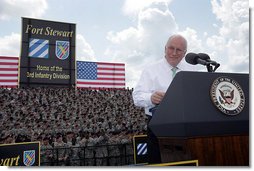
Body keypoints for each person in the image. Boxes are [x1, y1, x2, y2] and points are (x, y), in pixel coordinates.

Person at [132, 34, 195, 164]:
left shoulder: (192, 70)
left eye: (179, 50)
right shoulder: (150, 69)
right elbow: (137, 97)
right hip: (158, 125)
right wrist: (151, 98)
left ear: (185, 53)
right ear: (165, 48)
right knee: (159, 162)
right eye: (171, 48)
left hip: (185, 125)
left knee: (185, 162)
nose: (174, 53)